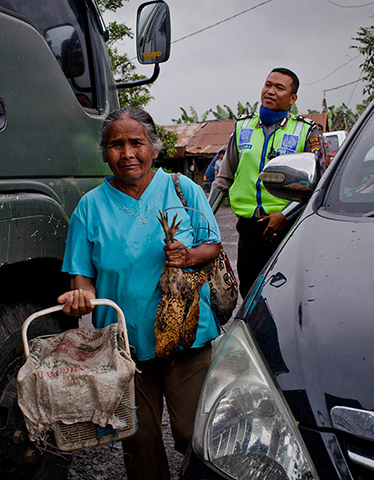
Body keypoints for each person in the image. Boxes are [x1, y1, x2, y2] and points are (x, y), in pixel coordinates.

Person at [57, 107, 222, 480]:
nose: (127, 153)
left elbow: (213, 245)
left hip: (187, 340)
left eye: (136, 142)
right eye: (116, 144)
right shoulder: (90, 208)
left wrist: (188, 255)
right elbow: (81, 276)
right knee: (140, 443)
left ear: (154, 147)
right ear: (104, 153)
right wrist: (81, 295)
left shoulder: (184, 189)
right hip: (125, 349)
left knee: (194, 434)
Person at [209, 67, 324, 297]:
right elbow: (223, 179)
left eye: (279, 88)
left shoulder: (306, 131)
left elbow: (318, 184)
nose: (270, 91)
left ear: (292, 99)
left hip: (287, 229)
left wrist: (285, 216)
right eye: (268, 84)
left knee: (285, 295)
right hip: (249, 229)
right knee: (250, 294)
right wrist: (205, 219)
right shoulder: (242, 127)